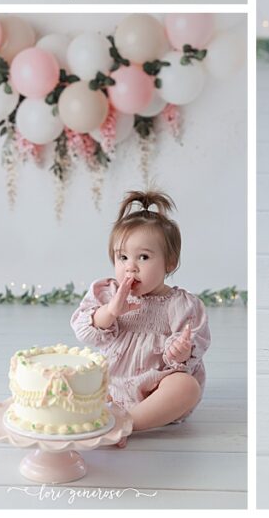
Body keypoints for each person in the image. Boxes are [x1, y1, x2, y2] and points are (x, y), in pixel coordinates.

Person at [71, 190, 209, 446]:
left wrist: (179, 351)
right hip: (110, 385)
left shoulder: (182, 305)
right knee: (69, 377)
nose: (130, 267)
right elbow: (85, 331)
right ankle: (107, 415)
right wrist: (111, 311)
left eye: (143, 257)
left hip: (153, 390)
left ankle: (126, 424)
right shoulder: (107, 292)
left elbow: (190, 351)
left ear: (170, 262)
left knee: (186, 387)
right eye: (122, 257)